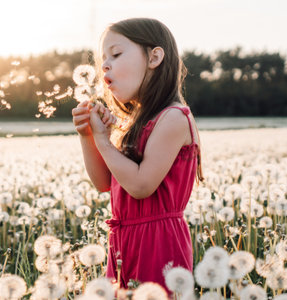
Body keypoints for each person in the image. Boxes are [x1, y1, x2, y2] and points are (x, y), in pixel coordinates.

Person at [72, 18, 204, 292]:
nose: (105, 65)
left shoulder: (174, 118)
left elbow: (141, 186)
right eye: (103, 59)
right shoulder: (133, 123)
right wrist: (87, 135)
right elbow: (103, 183)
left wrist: (103, 140)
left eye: (117, 54)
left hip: (159, 245)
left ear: (154, 57)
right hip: (123, 242)